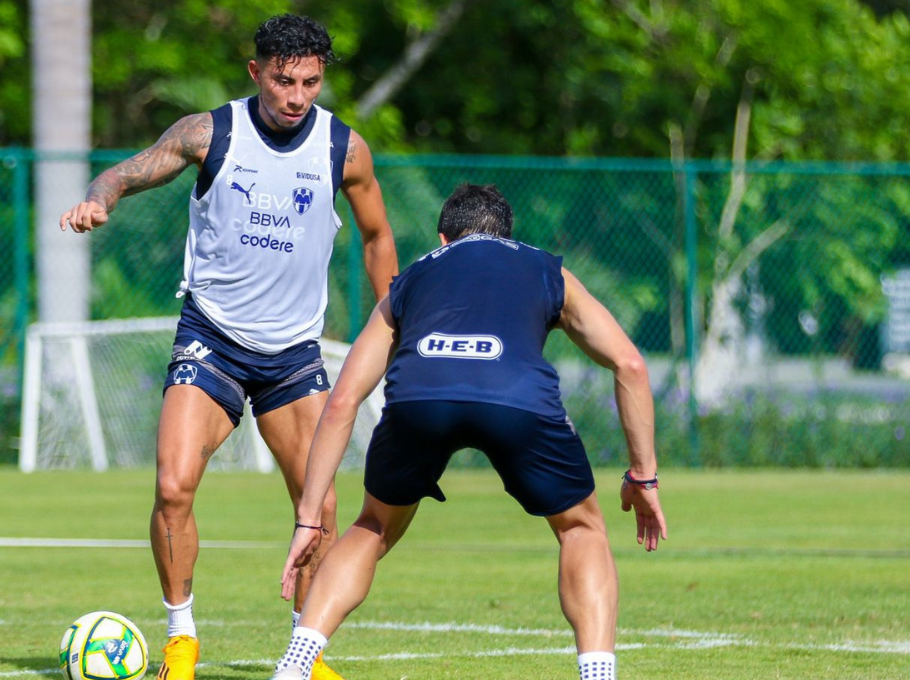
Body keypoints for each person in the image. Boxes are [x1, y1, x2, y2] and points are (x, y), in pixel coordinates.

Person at [59, 14, 397, 680]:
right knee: (174, 484)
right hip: (212, 336)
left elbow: (378, 236)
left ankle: (306, 652)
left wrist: (394, 323)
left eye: (309, 82)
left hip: (294, 352)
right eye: (283, 80)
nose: (296, 96)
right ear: (256, 73)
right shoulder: (210, 133)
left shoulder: (344, 149)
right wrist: (98, 200)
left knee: (320, 506)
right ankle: (181, 639)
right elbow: (125, 174)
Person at [270, 184, 667, 680]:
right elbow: (629, 364)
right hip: (516, 398)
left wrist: (310, 517)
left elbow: (344, 399)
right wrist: (643, 477)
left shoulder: (413, 277)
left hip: (420, 396)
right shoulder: (546, 269)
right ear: (507, 234)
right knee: (581, 528)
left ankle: (296, 661)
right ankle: (598, 674)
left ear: (443, 238)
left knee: (371, 526)